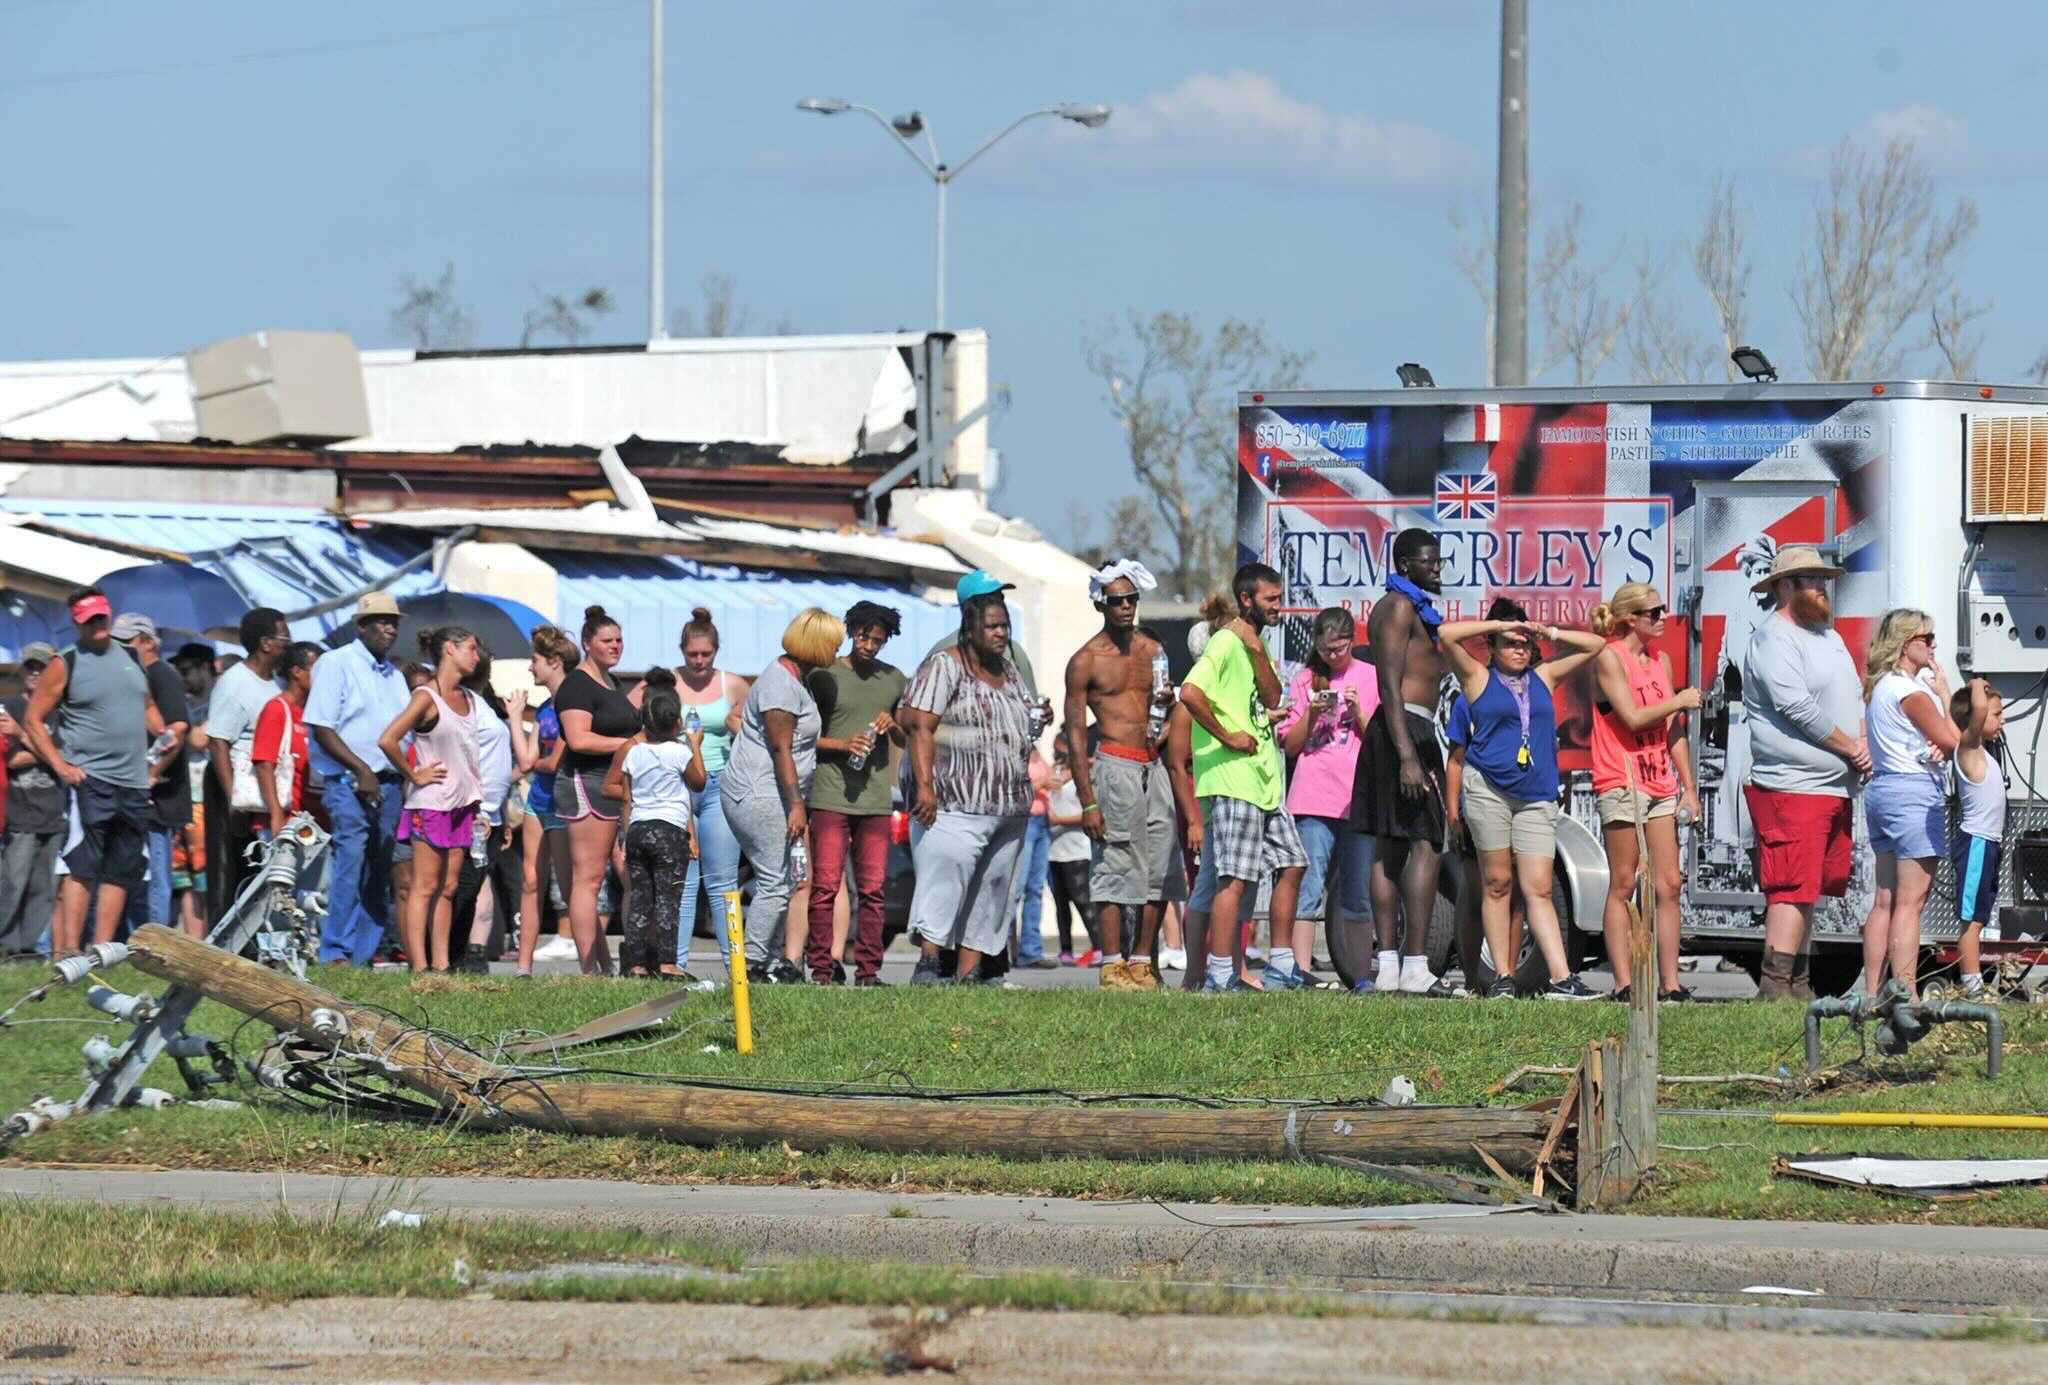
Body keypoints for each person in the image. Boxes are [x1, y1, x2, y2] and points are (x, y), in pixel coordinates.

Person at [1436, 600, 1605, 999]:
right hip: (1489, 790)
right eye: (1509, 643)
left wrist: (1550, 633)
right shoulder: (1477, 677)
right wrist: (1499, 623)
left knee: (1539, 888)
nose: (1519, 650)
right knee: (1497, 882)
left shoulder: (1543, 677)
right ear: (1492, 646)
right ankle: (1503, 978)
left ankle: (1563, 979)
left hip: (1535, 796)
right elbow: (1445, 635)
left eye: (1524, 644)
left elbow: (1595, 645)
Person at [1740, 546, 1867, 1001]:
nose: (1822, 587)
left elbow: (1854, 693)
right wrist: (1851, 746)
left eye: (1822, 579)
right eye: (1811, 579)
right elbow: (1796, 707)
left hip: (1831, 786)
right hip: (1792, 785)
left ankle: (1798, 984)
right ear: (1784, 587)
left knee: (1808, 887)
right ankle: (1775, 987)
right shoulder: (1773, 638)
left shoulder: (1827, 636)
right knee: (1791, 886)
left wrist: (1862, 741)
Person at [902, 573, 1039, 985]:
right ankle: (929, 966)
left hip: (1008, 803)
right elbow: (918, 725)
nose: (1000, 632)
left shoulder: (1012, 667)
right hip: (957, 800)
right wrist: (925, 786)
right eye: (992, 624)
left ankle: (971, 974)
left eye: (1004, 624)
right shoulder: (944, 662)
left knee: (994, 890)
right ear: (970, 620)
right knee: (945, 880)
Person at [1179, 562, 1306, 994]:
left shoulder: (1252, 643)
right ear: (1247, 599)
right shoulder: (1224, 642)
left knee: (1292, 862)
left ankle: (1283, 964)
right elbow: (1190, 693)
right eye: (1271, 599)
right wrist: (1229, 735)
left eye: (1280, 597)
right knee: (1233, 879)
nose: (1280, 607)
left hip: (1264, 781)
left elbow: (1271, 695)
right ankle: (1218, 975)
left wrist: (1256, 652)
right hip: (1233, 778)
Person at [22, 588, 164, 957]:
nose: (98, 626)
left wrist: (164, 735)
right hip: (90, 778)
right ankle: (68, 951)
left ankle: (102, 950)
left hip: (133, 780)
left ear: (108, 614)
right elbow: (34, 720)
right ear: (77, 623)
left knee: (123, 866)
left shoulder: (131, 656)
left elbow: (147, 705)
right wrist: (61, 766)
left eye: (102, 617)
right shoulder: (65, 662)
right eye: (90, 621)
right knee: (82, 865)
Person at [1063, 559, 1178, 991]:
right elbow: (1075, 731)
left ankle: (1142, 961)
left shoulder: (1153, 650)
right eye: (1117, 601)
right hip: (1113, 764)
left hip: (1154, 764)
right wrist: (1087, 798)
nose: (1126, 607)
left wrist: (1167, 712)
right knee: (1115, 864)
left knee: (1160, 867)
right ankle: (1112, 964)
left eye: (1132, 599)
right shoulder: (1086, 659)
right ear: (1101, 605)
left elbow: (1169, 706)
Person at [1589, 584, 1703, 1002]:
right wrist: (1678, 701)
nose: (1662, 618)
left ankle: (1670, 984)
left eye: (1663, 610)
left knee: (1669, 883)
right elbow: (1635, 718)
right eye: (1653, 612)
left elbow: (1673, 730)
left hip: (1660, 782)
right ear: (1630, 618)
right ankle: (1623, 982)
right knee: (1624, 881)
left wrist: (1689, 788)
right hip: (1621, 779)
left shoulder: (1662, 661)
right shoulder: (1609, 657)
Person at [1351, 529, 1451, 995]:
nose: (1437, 568)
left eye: (1439, 561)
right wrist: (1408, 756)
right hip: (1400, 731)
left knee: (1394, 847)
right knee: (1424, 842)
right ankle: (1410, 962)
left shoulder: (1418, 611)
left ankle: (1391, 967)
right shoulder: (1396, 607)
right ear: (1404, 563)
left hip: (1415, 729)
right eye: (1428, 561)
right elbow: (1389, 686)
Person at [722, 608, 841, 982]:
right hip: (761, 794)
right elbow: (781, 750)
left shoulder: (793, 680)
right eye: (833, 644)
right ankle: (750, 965)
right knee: (775, 880)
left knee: (783, 879)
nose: (838, 651)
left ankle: (772, 961)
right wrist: (796, 806)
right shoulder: (780, 688)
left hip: (773, 794)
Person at [304, 593, 410, 966]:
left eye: (394, 622)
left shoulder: (395, 675)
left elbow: (402, 733)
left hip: (389, 781)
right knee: (351, 860)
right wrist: (362, 769)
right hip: (349, 780)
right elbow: (321, 726)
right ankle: (336, 951)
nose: (389, 628)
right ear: (360, 626)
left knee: (380, 867)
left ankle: (364, 955)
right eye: (381, 621)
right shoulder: (337, 663)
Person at [1858, 609, 1958, 1003]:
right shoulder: (1911, 692)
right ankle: (1906, 992)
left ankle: (1872, 993)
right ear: (1905, 644)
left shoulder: (1880, 687)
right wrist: (1946, 695)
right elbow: (1952, 741)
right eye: (1927, 639)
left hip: (1883, 791)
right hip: (1913, 794)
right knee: (1910, 903)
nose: (1933, 645)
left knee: (1884, 899)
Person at [805, 601, 906, 986]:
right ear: (851, 632)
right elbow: (803, 737)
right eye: (863, 637)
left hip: (876, 800)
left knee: (873, 890)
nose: (868, 646)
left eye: (877, 641)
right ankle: (821, 968)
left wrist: (893, 724)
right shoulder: (823, 675)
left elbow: (906, 737)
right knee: (825, 887)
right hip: (830, 796)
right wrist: (843, 745)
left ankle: (868, 972)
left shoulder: (894, 679)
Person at [1277, 606, 1378, 990]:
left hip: (1356, 798)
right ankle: (1299, 970)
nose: (1333, 657)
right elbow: (1290, 746)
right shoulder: (1304, 680)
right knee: (1308, 885)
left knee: (1356, 890)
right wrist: (1313, 713)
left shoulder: (1369, 677)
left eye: (1339, 648)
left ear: (1353, 641)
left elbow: (1377, 743)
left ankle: (1360, 974)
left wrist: (1357, 710)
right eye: (1326, 650)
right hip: (1312, 798)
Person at [378, 626, 484, 973]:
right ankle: (419, 967)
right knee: (424, 886)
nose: (476, 656)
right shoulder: (426, 696)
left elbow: (467, 752)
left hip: (462, 804)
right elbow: (388, 740)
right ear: (449, 650)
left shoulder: (468, 697)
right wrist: (414, 775)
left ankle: (441, 966)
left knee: (449, 887)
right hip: (431, 803)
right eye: (471, 648)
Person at [602, 666, 708, 979]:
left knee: (639, 898)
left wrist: (625, 830)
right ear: (677, 722)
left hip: (638, 830)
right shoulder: (679, 752)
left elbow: (626, 796)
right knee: (668, 899)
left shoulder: (634, 753)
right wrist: (696, 746)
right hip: (669, 833)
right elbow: (698, 783)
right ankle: (667, 963)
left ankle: (635, 964)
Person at [553, 606, 638, 975]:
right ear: (588, 643)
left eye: (619, 640)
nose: (615, 646)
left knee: (601, 876)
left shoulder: (611, 682)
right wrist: (629, 743)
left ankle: (603, 966)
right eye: (607, 641)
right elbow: (578, 738)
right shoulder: (577, 684)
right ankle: (590, 971)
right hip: (585, 783)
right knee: (587, 879)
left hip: (613, 785)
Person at [669, 607, 749, 973]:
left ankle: (736, 968)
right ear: (682, 651)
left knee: (721, 881)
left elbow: (752, 735)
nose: (699, 661)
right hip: (679, 788)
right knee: (683, 882)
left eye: (706, 654)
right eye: (692, 655)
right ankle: (677, 965)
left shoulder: (731, 685)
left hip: (719, 786)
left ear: (716, 651)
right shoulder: (666, 684)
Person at [202, 607, 289, 928]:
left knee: (256, 868)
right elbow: (218, 742)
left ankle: (253, 939)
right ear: (266, 643)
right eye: (284, 638)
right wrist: (233, 798)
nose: (289, 644)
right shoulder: (235, 681)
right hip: (232, 784)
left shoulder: (276, 683)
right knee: (228, 870)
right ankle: (222, 942)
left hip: (262, 787)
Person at [108, 616, 192, 933]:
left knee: (157, 871)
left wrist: (151, 773)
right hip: (132, 791)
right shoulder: (135, 675)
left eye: (126, 642)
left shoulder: (162, 676)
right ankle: (125, 937)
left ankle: (157, 939)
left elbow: (177, 731)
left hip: (159, 796)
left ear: (147, 641)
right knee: (128, 866)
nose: (119, 648)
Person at [509, 625, 579, 975]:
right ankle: (524, 967)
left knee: (570, 887)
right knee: (531, 879)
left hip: (565, 804)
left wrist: (537, 763)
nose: (530, 667)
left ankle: (591, 963)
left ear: (554, 662)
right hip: (539, 800)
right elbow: (527, 762)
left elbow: (553, 762)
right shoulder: (544, 709)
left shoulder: (572, 705)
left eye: (534, 660)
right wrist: (513, 717)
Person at [0, 644, 65, 958]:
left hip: (52, 811)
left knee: (44, 887)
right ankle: (5, 946)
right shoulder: (8, 706)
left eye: (41, 667)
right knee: (12, 882)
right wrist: (48, 752)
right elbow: (11, 761)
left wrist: (23, 736)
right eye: (30, 667)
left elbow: (62, 758)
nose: (35, 673)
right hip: (18, 811)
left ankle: (27, 949)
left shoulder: (58, 713)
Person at [1949, 679, 2005, 1000]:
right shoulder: (1968, 749)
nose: (2001, 720)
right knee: (1970, 921)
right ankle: (1972, 988)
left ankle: (1973, 984)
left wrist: (1946, 688)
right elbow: (1978, 707)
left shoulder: (1983, 750)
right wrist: (1976, 685)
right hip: (1976, 844)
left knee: (1980, 917)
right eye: (1996, 714)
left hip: (1989, 844)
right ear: (1976, 718)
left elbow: (1959, 709)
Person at [250, 642, 319, 838]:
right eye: (318, 669)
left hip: (315, 821)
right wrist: (276, 814)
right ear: (296, 672)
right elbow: (264, 765)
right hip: (286, 822)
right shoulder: (277, 709)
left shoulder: (313, 712)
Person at [1044, 746, 1097, 964]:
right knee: (1061, 904)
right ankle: (1065, 949)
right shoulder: (1053, 777)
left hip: (1076, 850)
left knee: (1083, 900)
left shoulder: (1081, 781)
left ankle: (1099, 946)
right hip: (1054, 850)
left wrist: (1059, 821)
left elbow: (1090, 814)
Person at [1013, 746, 1056, 970]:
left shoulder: (1037, 752)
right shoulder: (1016, 750)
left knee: (1036, 889)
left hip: (1042, 823)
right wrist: (1041, 785)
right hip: (1026, 821)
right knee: (1016, 889)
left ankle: (1031, 950)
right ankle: (1002, 949)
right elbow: (1014, 789)